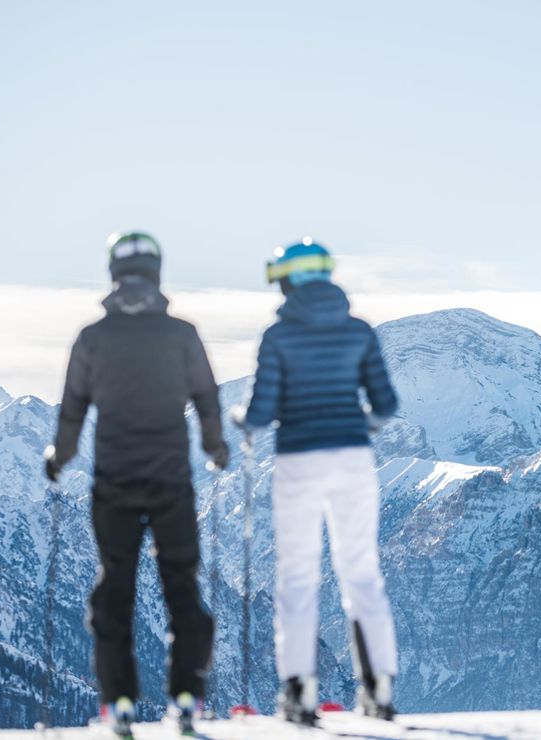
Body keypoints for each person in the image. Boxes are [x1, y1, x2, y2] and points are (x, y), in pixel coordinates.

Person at [44, 231, 229, 738]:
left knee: (115, 591)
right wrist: (216, 449)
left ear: (112, 274)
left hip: (114, 482)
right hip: (171, 480)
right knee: (181, 586)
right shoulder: (183, 334)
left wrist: (59, 458)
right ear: (157, 273)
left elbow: (72, 409)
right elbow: (208, 398)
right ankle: (187, 696)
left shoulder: (92, 338)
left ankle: (119, 702)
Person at [234, 237, 399, 726]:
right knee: (361, 571)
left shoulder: (277, 336)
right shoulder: (359, 332)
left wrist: (241, 418)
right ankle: (380, 688)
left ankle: (300, 693)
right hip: (353, 458)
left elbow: (261, 412)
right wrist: (356, 425)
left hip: (299, 460)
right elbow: (386, 404)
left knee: (298, 575)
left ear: (287, 280)